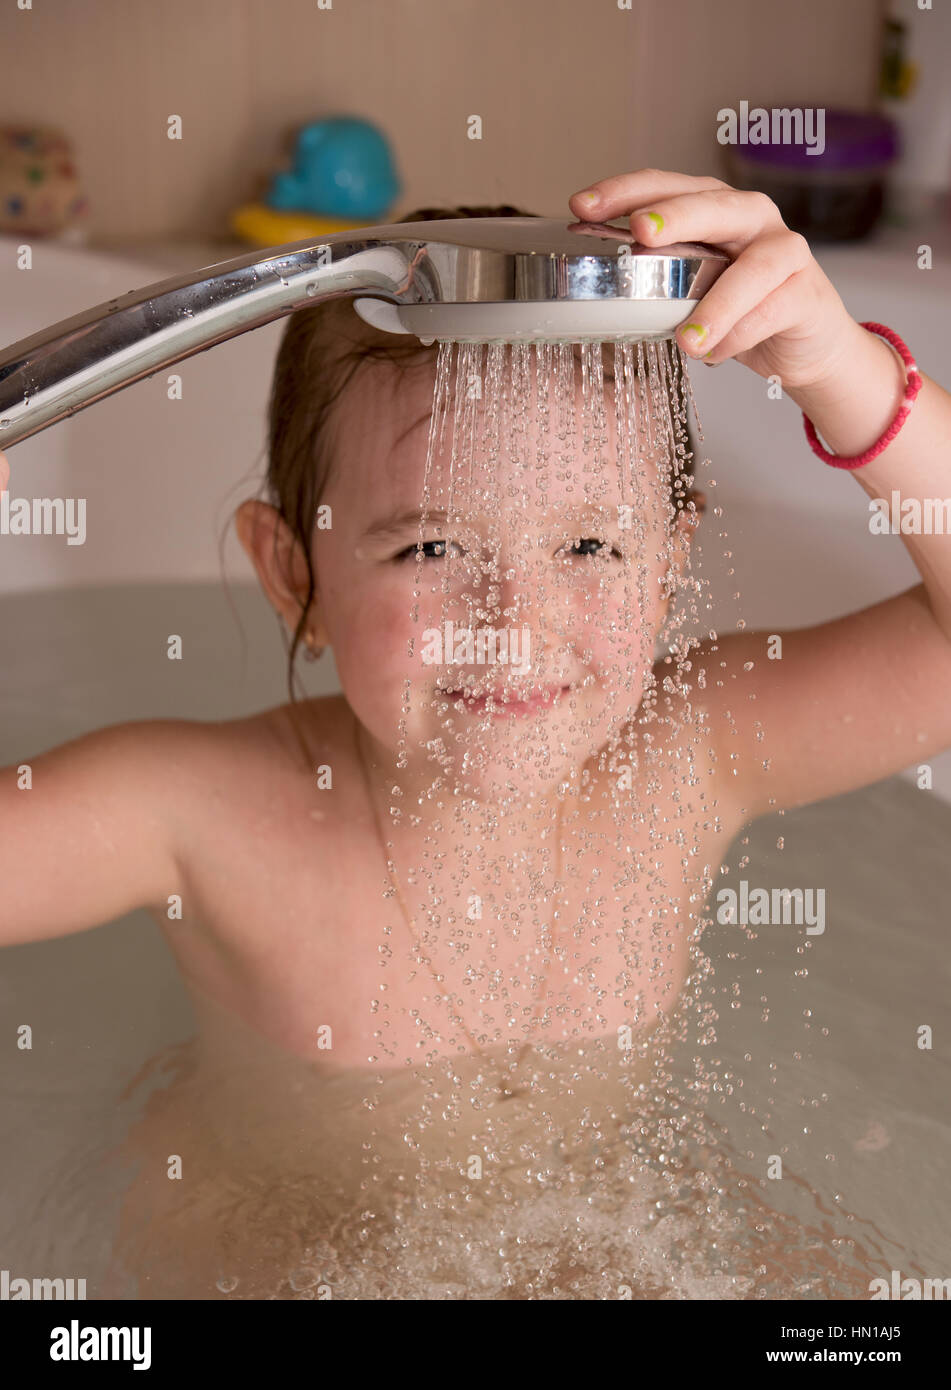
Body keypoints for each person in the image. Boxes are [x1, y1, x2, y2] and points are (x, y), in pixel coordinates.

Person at [3, 169, 949, 1299]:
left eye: (592, 548)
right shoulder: (191, 815)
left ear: (670, 571)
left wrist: (843, 372)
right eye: (431, 551)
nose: (517, 624)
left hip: (614, 1223)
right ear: (293, 571)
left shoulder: (693, 753)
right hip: (272, 1241)